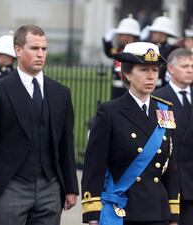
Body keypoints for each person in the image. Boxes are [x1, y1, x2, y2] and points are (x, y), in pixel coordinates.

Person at [0, 24, 79, 225]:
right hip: (12, 185)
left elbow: (65, 143)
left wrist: (71, 187)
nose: (40, 54)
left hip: (50, 186)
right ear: (18, 50)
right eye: (34, 48)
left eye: (44, 49)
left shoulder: (61, 93)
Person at [81, 42, 180, 225]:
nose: (151, 76)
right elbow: (94, 166)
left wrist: (174, 213)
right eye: (143, 69)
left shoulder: (165, 110)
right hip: (123, 211)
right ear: (127, 73)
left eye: (154, 70)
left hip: (158, 212)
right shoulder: (109, 112)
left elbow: (170, 167)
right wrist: (93, 214)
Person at [153, 48, 193, 225]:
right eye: (185, 66)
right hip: (170, 182)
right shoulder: (158, 98)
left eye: (192, 65)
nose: (190, 70)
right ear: (170, 69)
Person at [102, 14, 140, 99]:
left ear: (129, 36)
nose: (119, 36)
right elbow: (110, 53)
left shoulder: (137, 51)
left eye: (121, 34)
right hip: (117, 91)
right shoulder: (120, 49)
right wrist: (107, 43)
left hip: (129, 92)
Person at [145, 15, 178, 87]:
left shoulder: (171, 51)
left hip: (163, 86)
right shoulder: (150, 48)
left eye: (155, 31)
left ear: (163, 33)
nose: (152, 34)